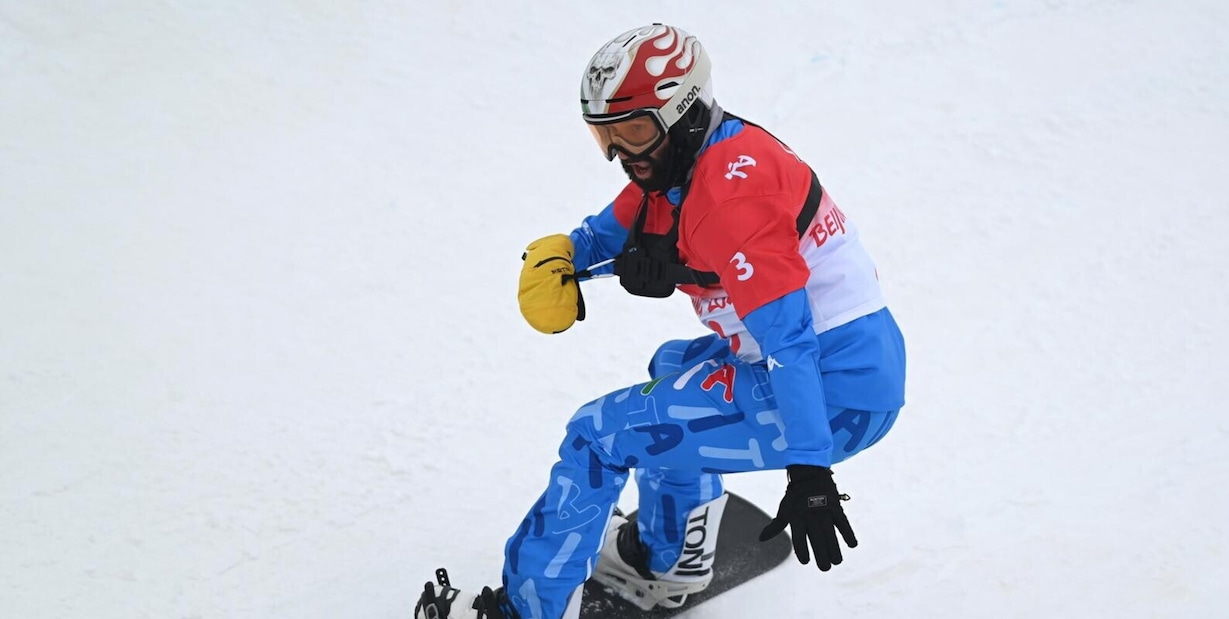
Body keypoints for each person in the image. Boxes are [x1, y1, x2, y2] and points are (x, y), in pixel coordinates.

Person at [415, 23, 906, 619]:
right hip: (840, 364)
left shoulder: (731, 197)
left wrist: (809, 471)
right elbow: (612, 228)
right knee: (670, 369)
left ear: (681, 112)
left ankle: (525, 612)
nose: (624, 152)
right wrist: (564, 256)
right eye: (607, 134)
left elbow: (791, 342)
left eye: (635, 129)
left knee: (597, 436)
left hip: (833, 393)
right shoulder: (686, 157)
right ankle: (670, 563)